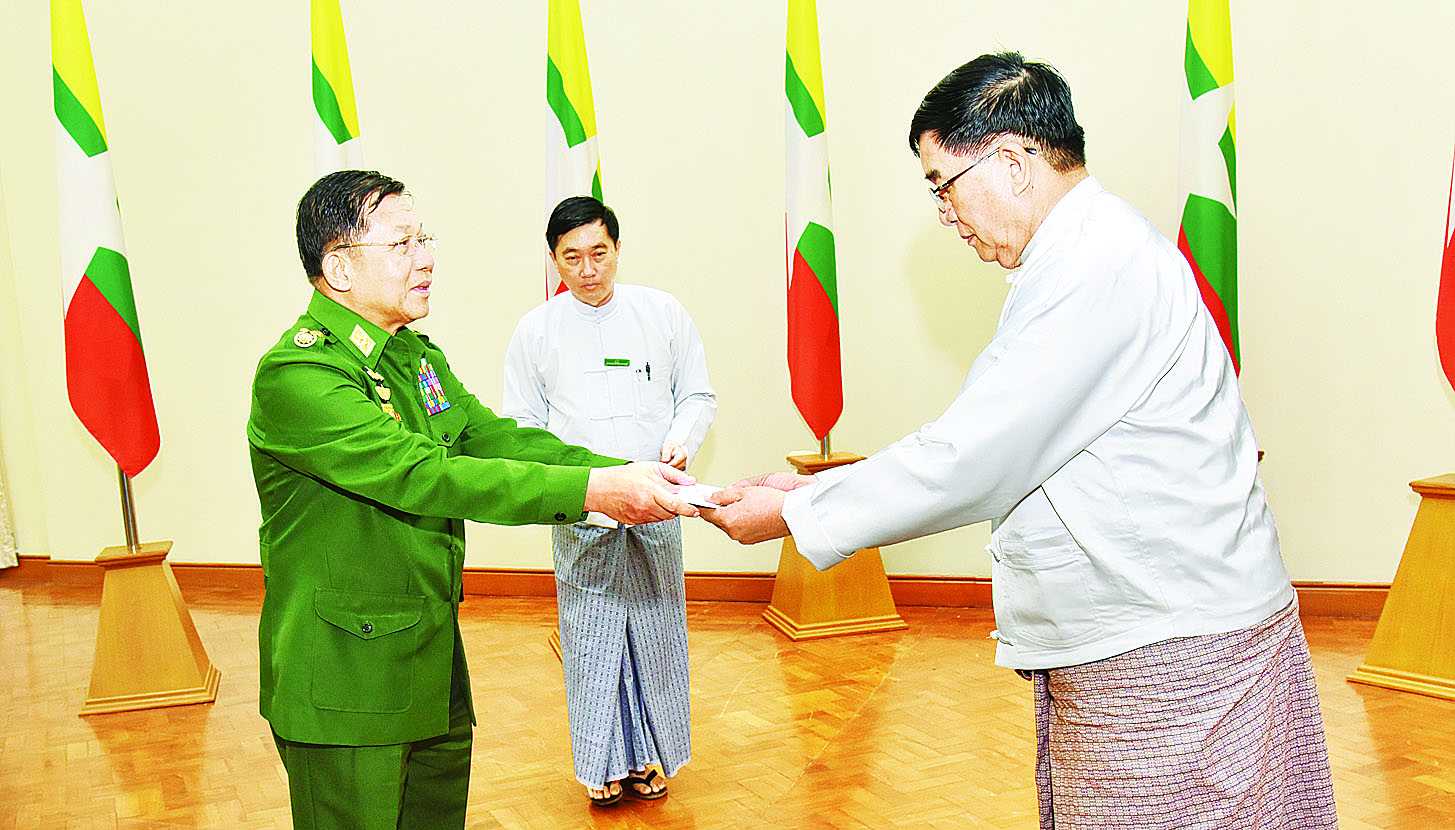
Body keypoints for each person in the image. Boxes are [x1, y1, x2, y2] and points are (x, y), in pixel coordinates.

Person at [702, 53, 1338, 829]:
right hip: (1157, 630)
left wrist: (794, 515)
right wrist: (811, 492)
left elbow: (974, 457)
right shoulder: (1082, 253)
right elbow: (996, 441)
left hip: (1171, 647)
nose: (944, 213)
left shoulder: (1096, 265)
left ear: (1010, 161)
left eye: (941, 184)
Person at [247, 170, 698, 830]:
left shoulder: (410, 357)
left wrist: (634, 474)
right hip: (347, 682)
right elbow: (426, 476)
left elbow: (494, 439)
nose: (426, 258)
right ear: (339, 267)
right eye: (401, 244)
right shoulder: (299, 374)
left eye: (423, 239)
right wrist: (598, 491)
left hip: (429, 662)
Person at [501, 196, 715, 806]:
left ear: (618, 248)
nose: (588, 269)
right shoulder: (535, 331)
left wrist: (680, 442)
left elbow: (696, 396)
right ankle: (602, 764)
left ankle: (650, 758)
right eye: (572, 257)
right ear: (554, 260)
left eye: (599, 253)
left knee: (656, 632)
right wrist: (574, 485)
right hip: (583, 508)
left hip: (656, 502)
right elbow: (522, 425)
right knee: (592, 640)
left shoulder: (663, 313)